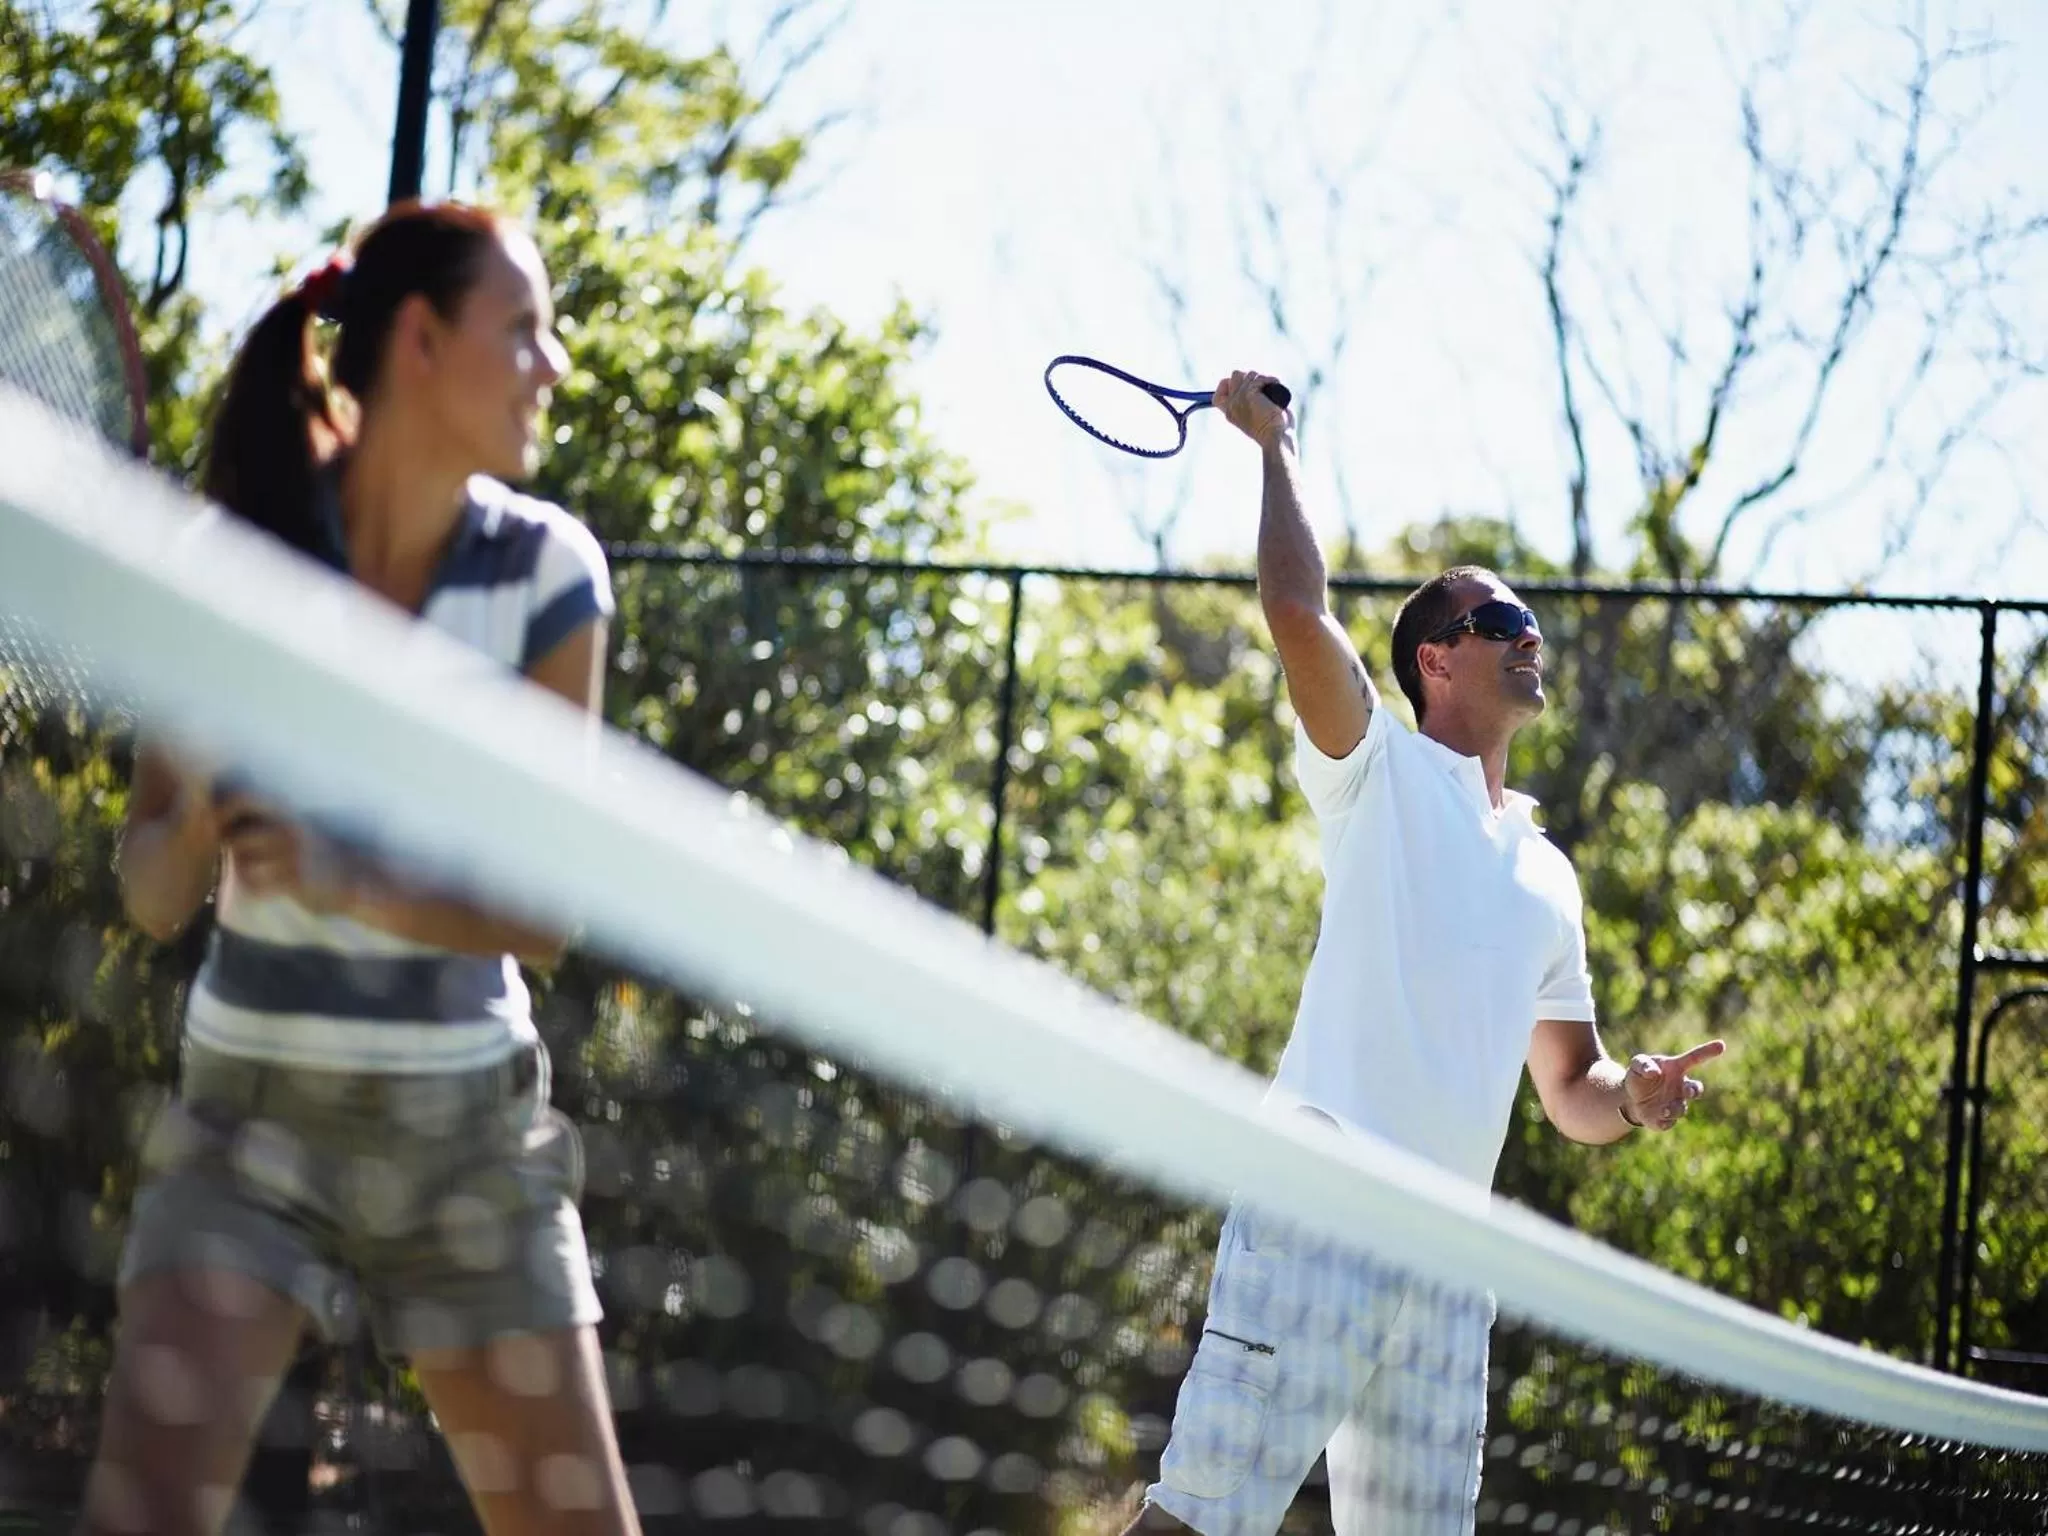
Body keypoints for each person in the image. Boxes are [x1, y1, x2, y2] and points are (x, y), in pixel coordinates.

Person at [79, 203, 640, 1536]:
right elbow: (150, 899)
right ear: (421, 341)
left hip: (469, 1149)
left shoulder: (547, 576)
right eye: (523, 331)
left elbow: (546, 914)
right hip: (244, 1136)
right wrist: (200, 820)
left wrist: (344, 877)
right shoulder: (228, 570)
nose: (553, 365)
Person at [1125, 372, 1726, 1536]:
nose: (1527, 635)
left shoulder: (1545, 873)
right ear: (1434, 663)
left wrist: (1632, 1095)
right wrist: (1271, 443)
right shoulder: (1375, 770)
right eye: (1497, 623)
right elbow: (1295, 612)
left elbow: (1568, 1087)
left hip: (1448, 1266)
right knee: (1197, 1523)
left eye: (1528, 622)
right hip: (1322, 1205)